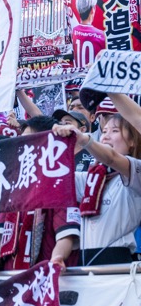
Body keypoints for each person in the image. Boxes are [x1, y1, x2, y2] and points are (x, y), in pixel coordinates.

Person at [54, 114, 141, 265]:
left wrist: (83, 140)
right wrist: (54, 142)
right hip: (85, 260)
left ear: (133, 141)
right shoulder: (93, 177)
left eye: (114, 131)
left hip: (118, 261)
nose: (106, 136)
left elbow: (111, 158)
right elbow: (56, 178)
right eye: (104, 131)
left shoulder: (136, 173)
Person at [71, 0, 106, 67]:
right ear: (92, 10)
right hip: (93, 78)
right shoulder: (102, 36)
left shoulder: (73, 31)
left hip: (78, 77)